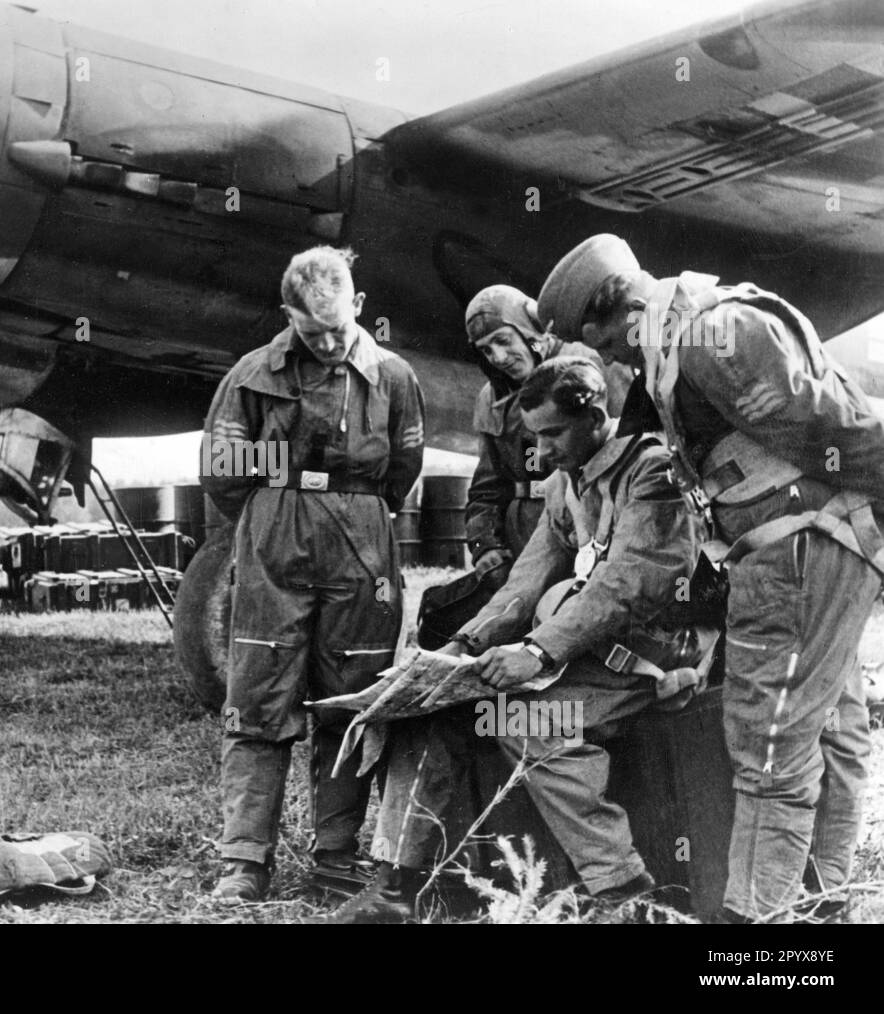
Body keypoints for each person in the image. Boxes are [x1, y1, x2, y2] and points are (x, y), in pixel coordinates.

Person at [537, 234, 884, 922]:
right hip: (798, 551)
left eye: (606, 346)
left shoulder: (707, 339)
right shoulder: (681, 339)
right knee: (828, 728)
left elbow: (841, 433)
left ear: (615, 314)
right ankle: (823, 901)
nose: (612, 363)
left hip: (797, 555)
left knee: (769, 747)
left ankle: (753, 933)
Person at [328, 356, 717, 923]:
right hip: (590, 651)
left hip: (653, 653)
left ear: (597, 416)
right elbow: (527, 579)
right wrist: (462, 646)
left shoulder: (650, 472)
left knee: (526, 723)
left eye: (553, 432)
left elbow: (627, 586)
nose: (542, 449)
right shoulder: (568, 483)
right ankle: (397, 886)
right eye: (535, 436)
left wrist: (536, 651)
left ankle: (624, 891)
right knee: (429, 714)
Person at [200, 245, 425, 902]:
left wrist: (344, 503)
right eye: (311, 330)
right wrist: (289, 491)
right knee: (257, 701)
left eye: (339, 327)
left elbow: (402, 474)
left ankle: (335, 859)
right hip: (275, 545)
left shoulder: (394, 377)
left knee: (349, 704)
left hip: (362, 549)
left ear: (359, 306)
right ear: (286, 315)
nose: (328, 343)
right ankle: (244, 861)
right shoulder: (251, 375)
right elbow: (221, 472)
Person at [464, 285, 627, 574]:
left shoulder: (592, 362)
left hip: (592, 519)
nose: (499, 357)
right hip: (524, 531)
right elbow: (487, 485)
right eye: (486, 350)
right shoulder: (491, 400)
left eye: (503, 340)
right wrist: (484, 544)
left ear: (529, 331)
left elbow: (633, 442)